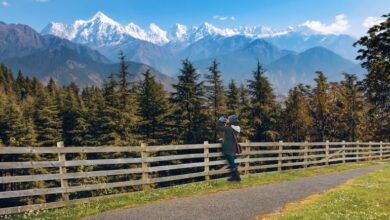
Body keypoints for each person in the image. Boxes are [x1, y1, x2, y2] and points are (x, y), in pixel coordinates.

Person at [216, 115, 241, 182]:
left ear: (231, 122)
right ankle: (233, 177)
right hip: (233, 148)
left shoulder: (228, 128)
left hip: (228, 149)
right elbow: (230, 137)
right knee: (231, 163)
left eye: (229, 120)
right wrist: (223, 139)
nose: (227, 120)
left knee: (232, 164)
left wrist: (220, 120)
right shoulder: (236, 128)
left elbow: (217, 128)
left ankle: (237, 177)